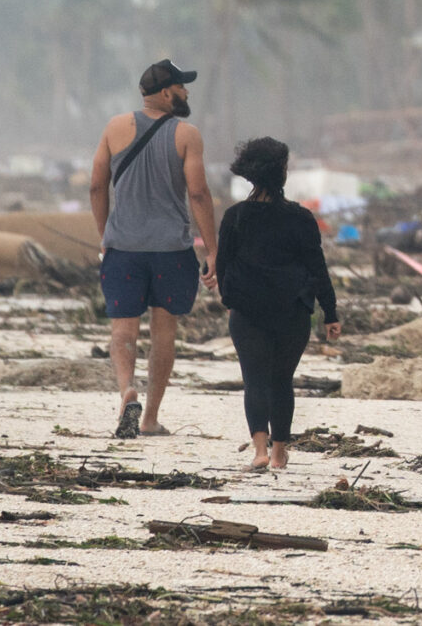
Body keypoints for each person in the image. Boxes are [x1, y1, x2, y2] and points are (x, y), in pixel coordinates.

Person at [90, 60, 218, 440]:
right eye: (182, 86)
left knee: (123, 328)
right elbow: (197, 193)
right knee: (164, 331)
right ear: (166, 93)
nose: (187, 92)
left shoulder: (114, 127)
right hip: (170, 250)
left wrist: (105, 234)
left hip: (123, 247)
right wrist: (213, 249)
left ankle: (127, 388)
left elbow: (97, 186)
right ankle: (149, 418)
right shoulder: (187, 135)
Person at [214, 137, 341, 470]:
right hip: (293, 312)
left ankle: (259, 450)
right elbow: (317, 267)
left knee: (254, 379)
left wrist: (230, 300)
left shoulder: (236, 217)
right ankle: (279, 453)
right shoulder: (300, 218)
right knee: (281, 381)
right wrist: (331, 312)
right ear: (280, 172)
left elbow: (223, 265)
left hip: (247, 312)